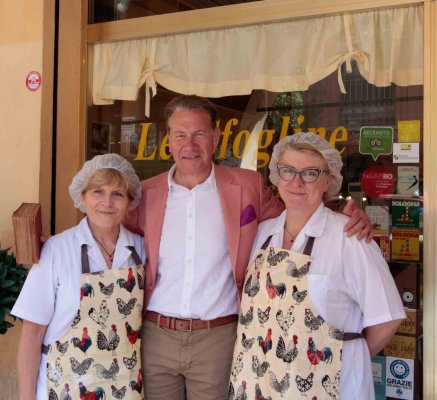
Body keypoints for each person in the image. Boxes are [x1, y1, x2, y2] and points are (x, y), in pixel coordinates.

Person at [123, 95, 373, 400]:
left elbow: (295, 212)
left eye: (199, 133)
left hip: (217, 338)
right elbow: (113, 238)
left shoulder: (248, 185)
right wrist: (48, 246)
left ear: (215, 137)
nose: (190, 144)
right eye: (180, 135)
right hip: (156, 336)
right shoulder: (146, 193)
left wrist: (343, 211)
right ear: (169, 141)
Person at [229, 132, 405, 399]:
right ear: (276, 177)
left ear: (328, 180)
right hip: (260, 380)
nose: (296, 182)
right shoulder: (262, 233)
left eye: (310, 173)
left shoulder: (350, 237)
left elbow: (388, 317)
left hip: (330, 383)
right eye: (287, 171)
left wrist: (346, 356)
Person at [12, 154, 146, 400]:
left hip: (125, 386)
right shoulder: (57, 250)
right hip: (65, 385)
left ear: (130, 201)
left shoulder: (141, 249)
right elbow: (32, 333)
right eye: (98, 192)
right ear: (83, 197)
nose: (107, 201)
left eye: (117, 194)